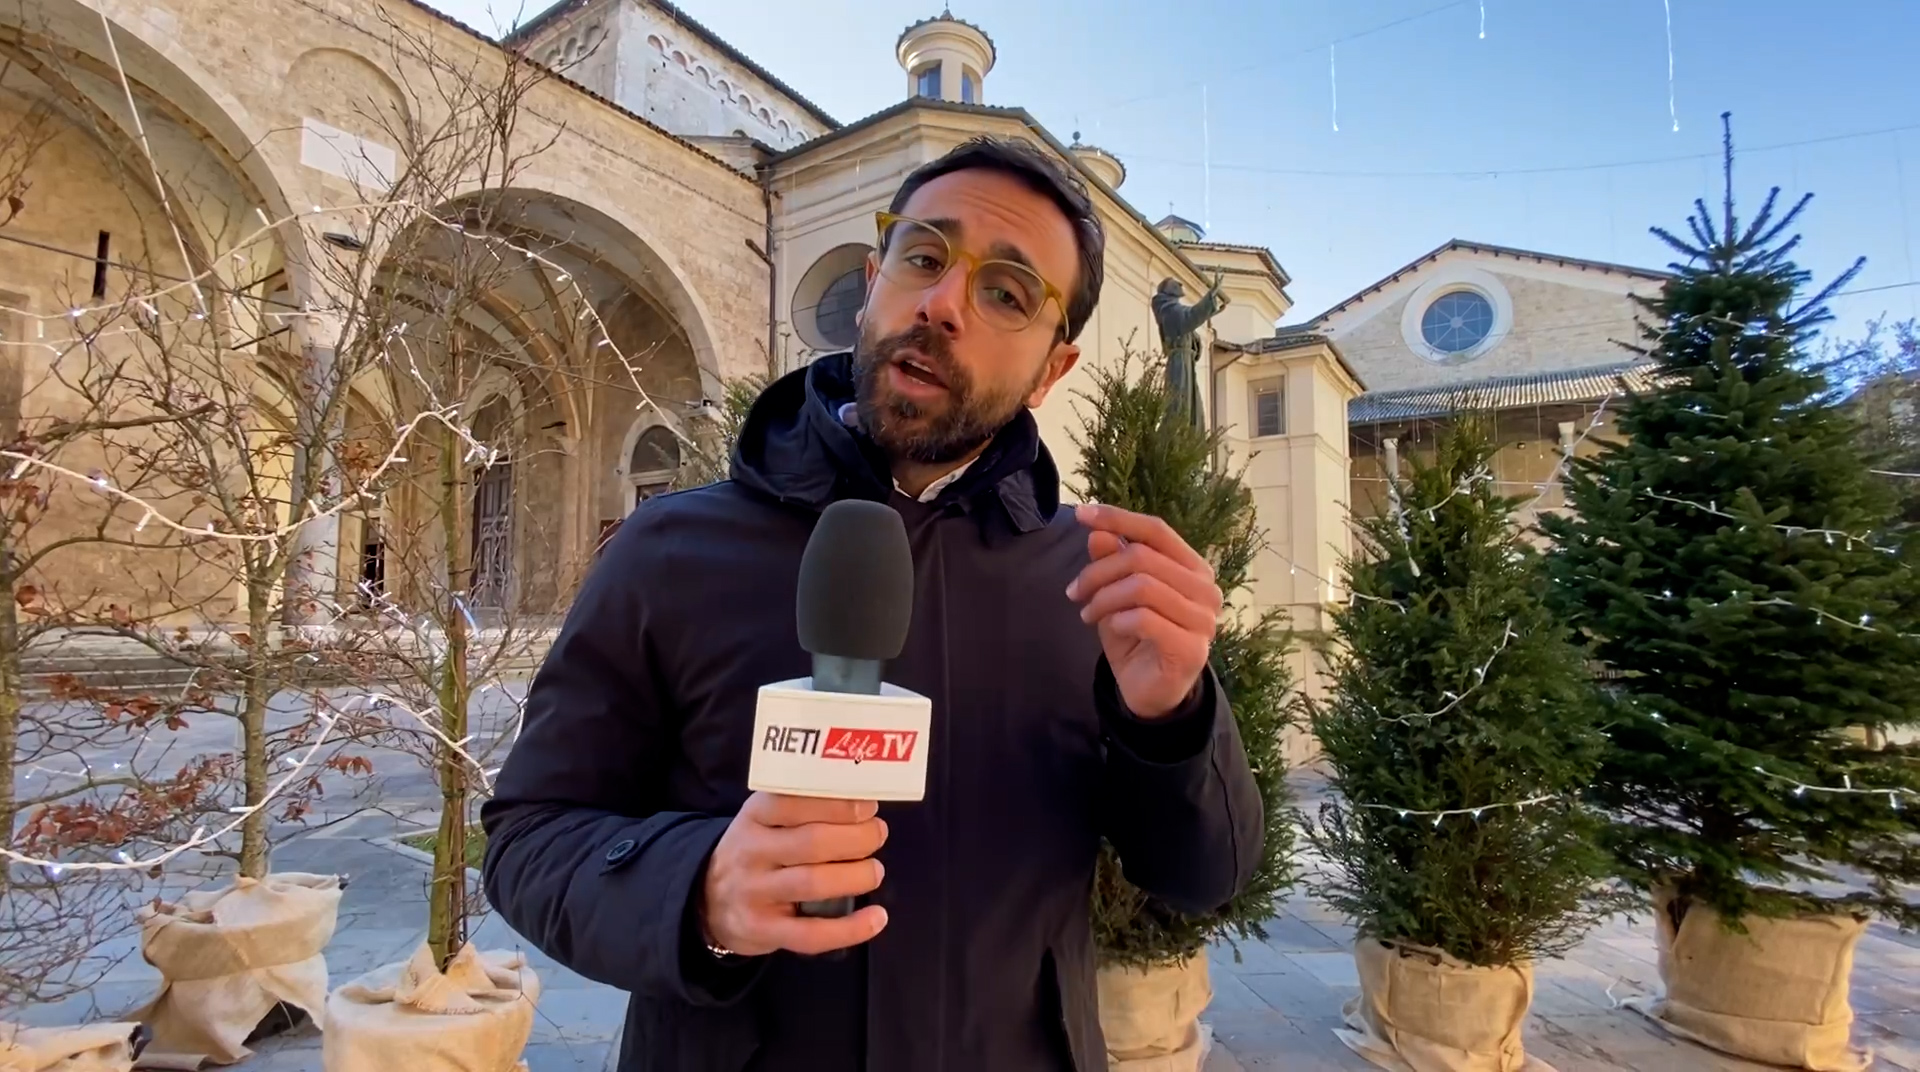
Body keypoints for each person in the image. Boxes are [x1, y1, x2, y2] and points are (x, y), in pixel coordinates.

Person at [480, 135, 1263, 1072]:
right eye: (924, 257)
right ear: (871, 283)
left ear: (1053, 371)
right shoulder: (670, 550)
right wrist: (697, 893)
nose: (943, 304)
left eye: (1007, 293)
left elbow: (1201, 877)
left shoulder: (1097, 586)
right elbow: (530, 839)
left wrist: (1172, 718)